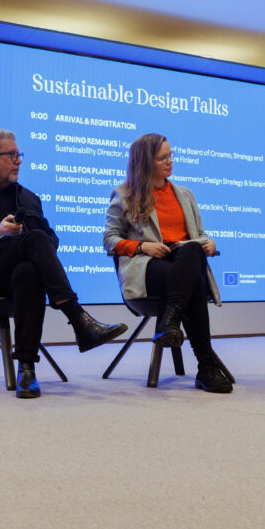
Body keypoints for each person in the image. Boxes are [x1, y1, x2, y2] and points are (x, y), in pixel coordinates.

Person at [0, 129, 127, 399]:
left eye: (20, 155)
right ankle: (78, 319)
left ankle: (26, 370)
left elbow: (50, 239)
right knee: (34, 240)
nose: (19, 160)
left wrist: (35, 250)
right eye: (12, 155)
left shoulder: (28, 198)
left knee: (29, 270)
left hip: (15, 277)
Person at [103, 133, 231, 393]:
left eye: (170, 156)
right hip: (148, 267)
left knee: (193, 251)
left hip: (184, 261)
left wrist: (210, 243)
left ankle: (170, 322)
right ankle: (206, 367)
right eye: (162, 158)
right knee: (192, 281)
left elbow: (200, 234)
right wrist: (142, 246)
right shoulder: (124, 194)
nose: (169, 162)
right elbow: (109, 240)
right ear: (145, 162)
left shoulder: (184, 194)